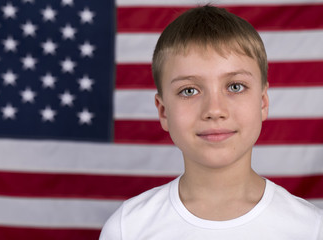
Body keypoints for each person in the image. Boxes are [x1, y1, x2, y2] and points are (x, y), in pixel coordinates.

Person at [100, 5, 323, 239]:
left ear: (263, 103)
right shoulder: (128, 228)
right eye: (189, 91)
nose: (214, 110)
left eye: (235, 87)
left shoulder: (310, 228)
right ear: (164, 111)